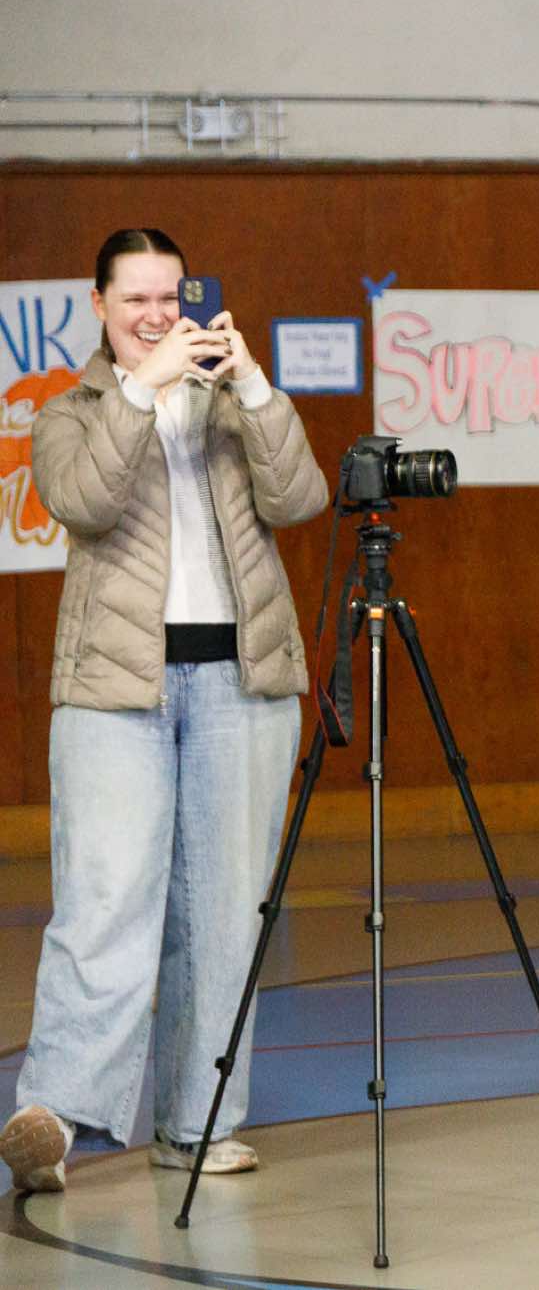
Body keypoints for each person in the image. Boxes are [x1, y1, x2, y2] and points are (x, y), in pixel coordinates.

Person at [1, 230, 327, 1195]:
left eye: (170, 297)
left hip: (241, 682)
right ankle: (53, 1119)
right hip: (115, 689)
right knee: (104, 899)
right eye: (136, 298)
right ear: (99, 305)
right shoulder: (69, 412)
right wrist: (142, 389)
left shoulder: (232, 403)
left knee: (226, 912)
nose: (156, 315)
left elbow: (301, 497)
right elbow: (85, 499)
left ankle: (200, 1123)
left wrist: (253, 385)